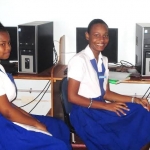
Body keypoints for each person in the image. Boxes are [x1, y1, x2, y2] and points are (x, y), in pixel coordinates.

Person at [67, 19, 150, 150]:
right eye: (96, 35)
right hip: (85, 112)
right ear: (87, 36)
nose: (102, 39)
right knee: (117, 138)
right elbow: (72, 97)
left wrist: (135, 100)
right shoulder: (79, 60)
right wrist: (107, 107)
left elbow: (106, 93)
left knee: (143, 112)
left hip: (100, 107)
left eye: (105, 35)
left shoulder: (103, 60)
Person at [0, 22, 72, 150]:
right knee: (57, 146)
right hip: (4, 128)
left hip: (7, 117)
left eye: (9, 43)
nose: (8, 48)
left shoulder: (1, 67)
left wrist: (30, 118)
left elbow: (9, 105)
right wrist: (36, 124)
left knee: (59, 126)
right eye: (2, 44)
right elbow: (7, 112)